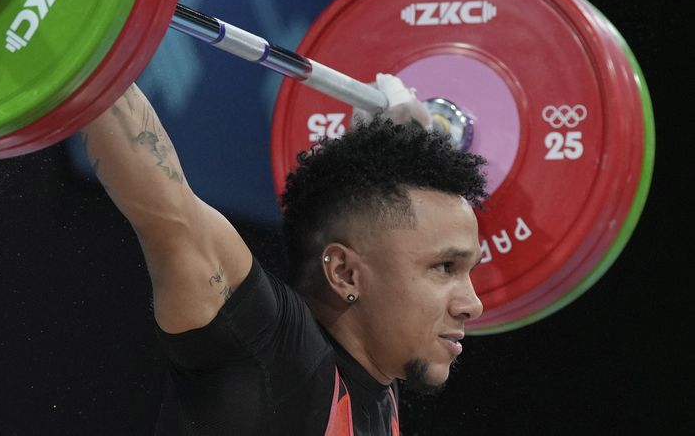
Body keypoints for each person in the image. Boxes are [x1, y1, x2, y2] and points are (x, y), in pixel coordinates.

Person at [80, 76, 487, 436]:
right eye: (444, 267)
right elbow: (167, 210)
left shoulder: (378, 377)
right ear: (344, 274)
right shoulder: (272, 356)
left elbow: (363, 221)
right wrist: (93, 44)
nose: (473, 304)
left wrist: (391, 146)